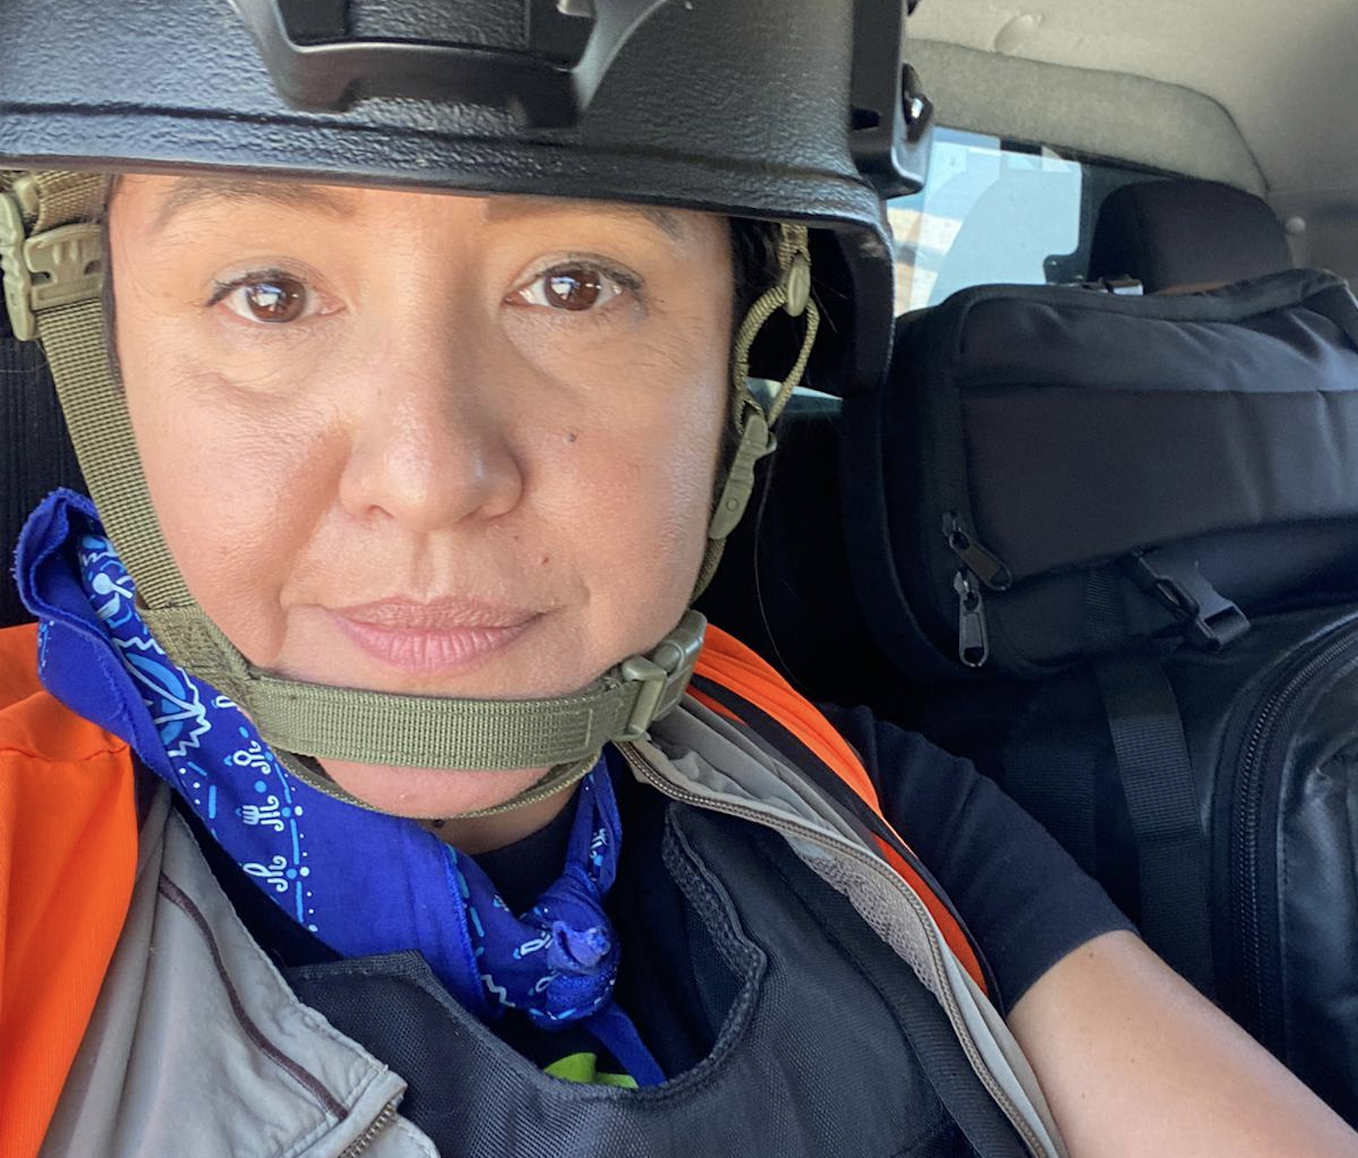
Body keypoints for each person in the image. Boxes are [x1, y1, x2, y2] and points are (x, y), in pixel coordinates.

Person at [0, 4, 1354, 1157]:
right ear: (93, 335)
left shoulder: (819, 778)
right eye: (269, 293)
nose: (427, 470)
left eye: (576, 284)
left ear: (743, 363)